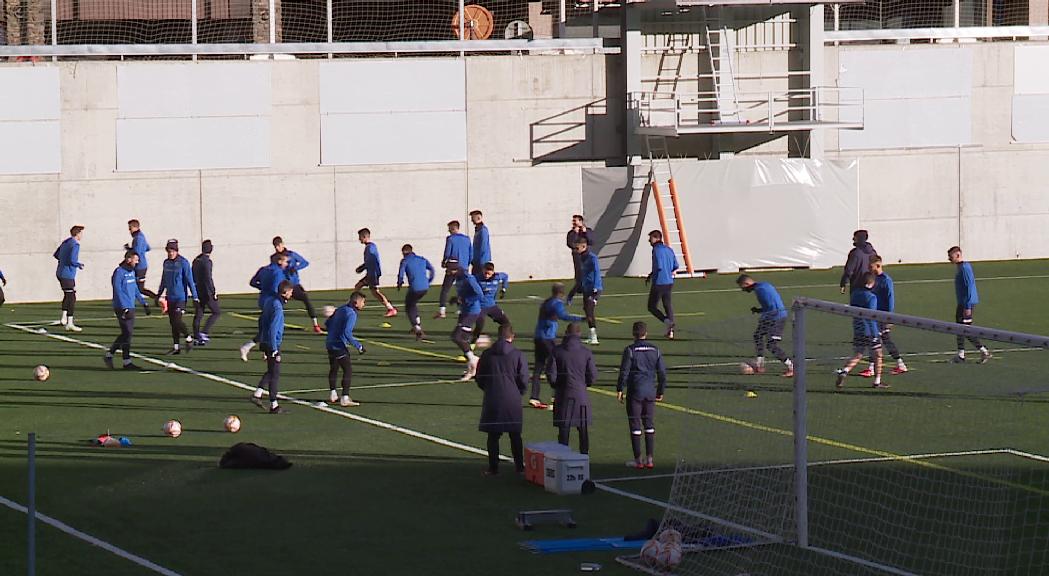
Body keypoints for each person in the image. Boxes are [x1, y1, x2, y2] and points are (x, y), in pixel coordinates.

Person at [476, 323, 529, 476]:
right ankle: (520, 467)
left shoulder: (487, 354)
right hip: (512, 398)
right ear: (512, 336)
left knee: (493, 436)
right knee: (515, 434)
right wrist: (519, 391)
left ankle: (493, 468)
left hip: (492, 397)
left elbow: (480, 377)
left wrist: (488, 388)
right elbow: (524, 378)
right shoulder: (517, 354)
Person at [617, 321, 667, 469]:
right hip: (650, 391)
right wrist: (660, 391)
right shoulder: (655, 349)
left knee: (635, 425)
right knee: (649, 425)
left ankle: (638, 460)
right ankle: (650, 459)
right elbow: (662, 373)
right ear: (646, 333)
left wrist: (620, 389)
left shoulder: (630, 350)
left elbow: (624, 372)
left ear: (633, 334)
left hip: (635, 392)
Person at [532, 283, 584, 410]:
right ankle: (556, 398)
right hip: (548, 339)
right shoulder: (557, 303)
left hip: (538, 337)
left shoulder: (546, 302)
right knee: (555, 367)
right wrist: (581, 319)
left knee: (538, 367)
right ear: (562, 293)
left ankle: (534, 397)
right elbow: (563, 316)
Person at [546, 323, 596, 455]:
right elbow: (592, 375)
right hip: (581, 395)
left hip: (563, 394)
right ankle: (584, 459)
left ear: (566, 333)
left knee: (563, 430)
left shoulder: (557, 351)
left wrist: (557, 385)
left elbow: (551, 374)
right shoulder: (586, 352)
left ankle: (562, 459)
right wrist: (585, 384)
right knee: (583, 430)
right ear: (579, 334)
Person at [835, 272, 887, 389]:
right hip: (870, 330)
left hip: (858, 328)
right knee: (878, 354)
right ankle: (877, 381)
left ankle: (845, 371)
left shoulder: (855, 294)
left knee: (858, 354)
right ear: (871, 283)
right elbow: (873, 315)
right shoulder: (871, 297)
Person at [737, 274, 794, 377]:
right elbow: (770, 305)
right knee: (758, 335)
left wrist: (767, 319)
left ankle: (792, 367)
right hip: (771, 316)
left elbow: (773, 307)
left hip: (777, 318)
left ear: (746, 283)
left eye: (743, 287)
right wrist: (759, 310)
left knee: (771, 345)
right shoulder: (763, 286)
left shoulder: (761, 290)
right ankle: (760, 364)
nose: (743, 290)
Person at [860, 256, 907, 376]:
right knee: (880, 339)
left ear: (878, 265)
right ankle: (898, 364)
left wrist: (889, 317)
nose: (869, 268)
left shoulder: (886, 280)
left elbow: (890, 299)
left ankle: (873, 368)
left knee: (879, 339)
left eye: (871, 266)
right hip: (874, 315)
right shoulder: (873, 278)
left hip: (882, 316)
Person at [252, 281, 293, 414]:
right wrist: (274, 348)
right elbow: (273, 328)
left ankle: (258, 394)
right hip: (272, 343)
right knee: (275, 373)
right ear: (285, 292)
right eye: (290, 292)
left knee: (271, 371)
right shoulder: (277, 307)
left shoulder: (270, 300)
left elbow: (261, 320)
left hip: (266, 341)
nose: (291, 295)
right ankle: (273, 405)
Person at [104, 250, 149, 371]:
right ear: (129, 259)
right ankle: (123, 359)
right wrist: (124, 307)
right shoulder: (119, 272)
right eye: (136, 259)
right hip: (122, 308)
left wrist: (144, 303)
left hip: (131, 307)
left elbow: (135, 289)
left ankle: (116, 357)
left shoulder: (132, 272)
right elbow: (117, 290)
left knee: (126, 334)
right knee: (127, 333)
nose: (138, 262)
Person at [241, 252, 289, 361]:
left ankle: (263, 352)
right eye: (286, 261)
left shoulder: (263, 269)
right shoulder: (278, 273)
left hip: (263, 300)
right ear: (279, 261)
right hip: (272, 301)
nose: (287, 264)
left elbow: (253, 282)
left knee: (265, 326)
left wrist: (262, 287)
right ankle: (253, 347)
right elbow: (278, 288)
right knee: (272, 327)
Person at [949, 246, 991, 364]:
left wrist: (967, 306)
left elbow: (969, 287)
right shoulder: (960, 267)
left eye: (950, 257)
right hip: (962, 303)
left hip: (967, 304)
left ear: (958, 255)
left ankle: (984, 351)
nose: (949, 259)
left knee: (966, 330)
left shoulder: (965, 268)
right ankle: (961, 355)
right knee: (959, 327)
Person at [156, 239, 198, 355]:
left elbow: (190, 280)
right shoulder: (166, 263)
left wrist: (195, 297)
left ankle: (189, 338)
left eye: (173, 251)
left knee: (177, 320)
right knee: (172, 323)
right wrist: (159, 294)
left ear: (177, 251)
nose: (171, 253)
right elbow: (164, 279)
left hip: (180, 298)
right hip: (170, 297)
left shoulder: (183, 262)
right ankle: (176, 347)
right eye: (169, 251)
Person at [325, 291, 366, 407]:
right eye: (363, 302)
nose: (364, 304)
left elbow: (327, 323)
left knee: (334, 368)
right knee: (347, 370)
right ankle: (345, 397)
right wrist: (359, 346)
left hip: (329, 343)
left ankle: (333, 393)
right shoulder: (351, 314)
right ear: (356, 302)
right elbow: (347, 332)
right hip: (338, 345)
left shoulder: (341, 309)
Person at [273, 236, 322, 333]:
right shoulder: (274, 257)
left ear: (282, 244)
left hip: (294, 285)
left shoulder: (292, 255)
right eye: (275, 246)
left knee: (306, 299)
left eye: (278, 245)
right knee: (276, 305)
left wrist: (295, 268)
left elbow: (305, 262)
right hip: (283, 286)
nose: (277, 248)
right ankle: (274, 324)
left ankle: (315, 325)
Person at [451, 266, 485, 380]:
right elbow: (463, 293)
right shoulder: (458, 278)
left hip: (472, 312)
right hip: (464, 311)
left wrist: (466, 300)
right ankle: (472, 368)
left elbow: (479, 294)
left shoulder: (469, 279)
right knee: (463, 339)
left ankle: (474, 360)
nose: (448, 272)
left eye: (450, 270)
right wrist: (457, 299)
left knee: (456, 336)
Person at [355, 228, 397, 317]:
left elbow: (372, 261)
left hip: (372, 274)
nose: (359, 239)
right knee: (360, 287)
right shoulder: (370, 247)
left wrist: (362, 268)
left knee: (374, 292)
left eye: (360, 237)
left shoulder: (370, 248)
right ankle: (354, 304)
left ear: (365, 237)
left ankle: (391, 308)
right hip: (371, 273)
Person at [435, 220, 472, 319]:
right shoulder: (467, 239)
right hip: (463, 267)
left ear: (453, 228)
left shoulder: (450, 239)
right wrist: (467, 264)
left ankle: (442, 311)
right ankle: (461, 309)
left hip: (453, 267)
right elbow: (470, 254)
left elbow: (447, 252)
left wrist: (444, 262)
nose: (449, 230)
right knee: (462, 289)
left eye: (450, 228)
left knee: (445, 289)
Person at [397, 244, 435, 339]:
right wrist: (429, 280)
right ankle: (417, 323)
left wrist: (399, 283)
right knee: (413, 304)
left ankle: (417, 327)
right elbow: (432, 270)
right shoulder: (421, 259)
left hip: (415, 288)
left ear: (404, 253)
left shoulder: (405, 261)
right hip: (425, 287)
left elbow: (401, 274)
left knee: (409, 306)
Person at [646, 230, 679, 339]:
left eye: (650, 238)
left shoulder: (656, 250)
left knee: (651, 306)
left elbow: (658, 266)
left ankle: (667, 322)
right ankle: (671, 332)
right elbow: (676, 265)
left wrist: (652, 275)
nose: (649, 241)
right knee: (667, 305)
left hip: (659, 282)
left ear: (656, 238)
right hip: (669, 282)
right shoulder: (669, 249)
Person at [53, 225, 85, 331]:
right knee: (71, 297)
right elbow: (72, 260)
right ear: (78, 233)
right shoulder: (75, 244)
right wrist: (78, 264)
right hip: (67, 274)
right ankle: (70, 323)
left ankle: (63, 319)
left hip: (60, 272)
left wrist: (63, 260)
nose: (82, 235)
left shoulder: (65, 242)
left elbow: (56, 254)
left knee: (67, 295)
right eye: (81, 233)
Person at [192, 240, 221, 345]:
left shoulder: (196, 260)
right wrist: (213, 291)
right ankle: (204, 332)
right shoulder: (207, 262)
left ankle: (196, 335)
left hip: (197, 289)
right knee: (216, 312)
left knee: (199, 313)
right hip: (206, 291)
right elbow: (208, 278)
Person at [473, 262, 510, 345]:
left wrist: (504, 288)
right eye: (485, 273)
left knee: (506, 323)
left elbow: (505, 276)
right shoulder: (477, 278)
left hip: (492, 306)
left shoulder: (497, 277)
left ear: (493, 272)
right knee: (479, 326)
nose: (486, 275)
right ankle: (471, 344)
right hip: (480, 307)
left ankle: (502, 341)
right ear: (482, 270)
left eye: (489, 274)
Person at [575, 238, 603, 344]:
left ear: (584, 246)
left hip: (594, 289)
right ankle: (591, 335)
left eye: (577, 248)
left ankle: (594, 337)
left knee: (589, 310)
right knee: (586, 310)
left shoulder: (592, 258)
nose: (576, 250)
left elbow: (596, 271)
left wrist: (595, 287)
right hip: (586, 288)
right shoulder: (582, 257)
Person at [125, 219, 157, 299]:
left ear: (135, 227)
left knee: (139, 288)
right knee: (136, 287)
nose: (129, 231)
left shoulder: (138, 238)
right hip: (141, 265)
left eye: (130, 228)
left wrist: (130, 251)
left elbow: (137, 253)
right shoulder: (141, 236)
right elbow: (148, 248)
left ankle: (158, 298)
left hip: (139, 266)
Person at [840, 229, 877, 295]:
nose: (853, 239)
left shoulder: (855, 253)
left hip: (857, 286)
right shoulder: (873, 252)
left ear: (860, 238)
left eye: (855, 237)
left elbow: (849, 270)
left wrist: (843, 283)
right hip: (872, 285)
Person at [565, 214, 591, 304]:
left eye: (575, 220)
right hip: (577, 258)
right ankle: (570, 296)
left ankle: (588, 298)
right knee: (580, 279)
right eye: (573, 221)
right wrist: (575, 234)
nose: (573, 222)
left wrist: (585, 233)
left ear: (580, 221)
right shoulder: (571, 233)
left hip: (587, 256)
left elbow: (592, 241)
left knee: (588, 278)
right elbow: (570, 244)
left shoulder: (587, 231)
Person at [470, 210, 491, 276]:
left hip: (481, 262)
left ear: (478, 217)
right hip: (477, 261)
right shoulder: (478, 230)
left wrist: (480, 261)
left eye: (473, 218)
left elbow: (483, 247)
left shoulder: (483, 230)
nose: (471, 220)